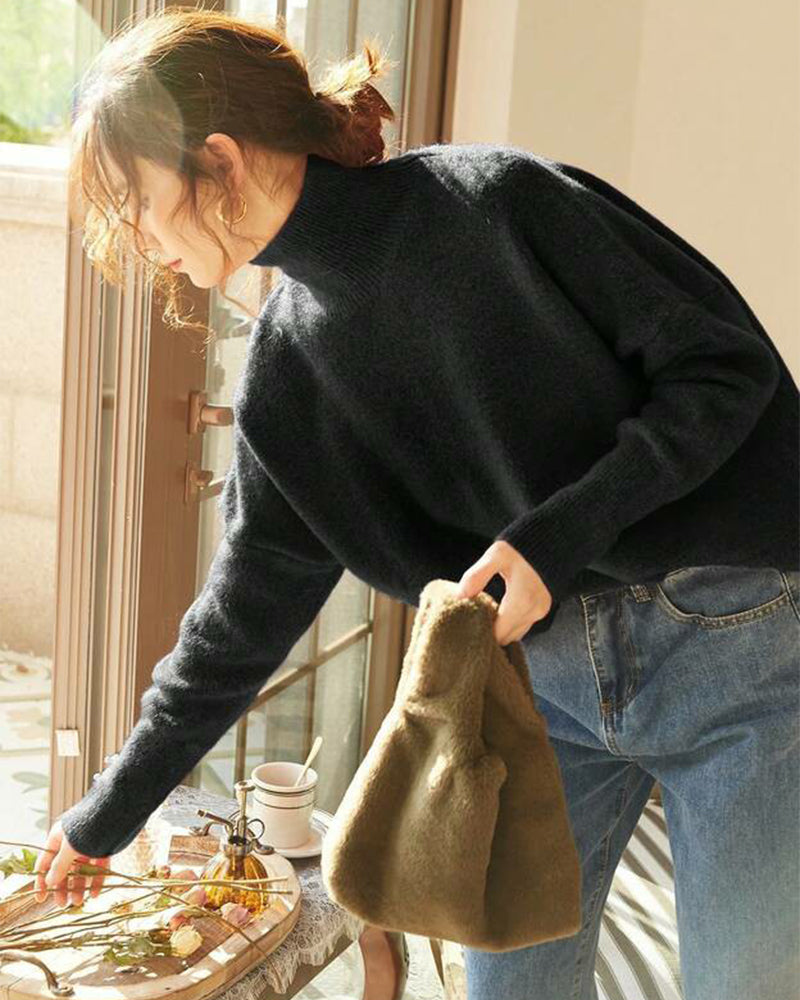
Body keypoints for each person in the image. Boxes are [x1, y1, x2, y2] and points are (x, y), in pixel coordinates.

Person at [34, 7, 799, 998]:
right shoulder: (285, 381)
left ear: (218, 158)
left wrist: (551, 539)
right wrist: (104, 816)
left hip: (731, 640)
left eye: (138, 200)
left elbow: (724, 370)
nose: (139, 238)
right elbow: (238, 624)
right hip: (539, 693)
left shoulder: (493, 202)